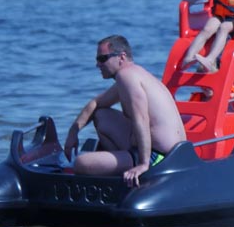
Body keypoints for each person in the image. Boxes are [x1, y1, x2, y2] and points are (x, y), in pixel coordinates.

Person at [63, 35, 187, 187]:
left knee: (81, 163)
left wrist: (143, 164)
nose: (97, 65)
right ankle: (121, 167)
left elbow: (141, 119)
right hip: (174, 153)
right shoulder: (134, 74)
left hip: (160, 157)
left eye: (102, 59)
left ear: (121, 57)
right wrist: (73, 132)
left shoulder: (126, 76)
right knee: (101, 115)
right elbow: (95, 103)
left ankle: (131, 169)